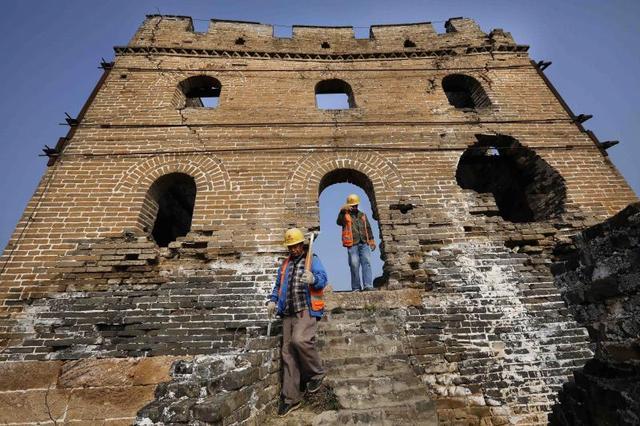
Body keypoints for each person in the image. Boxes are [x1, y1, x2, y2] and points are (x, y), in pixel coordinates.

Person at [267, 228, 328, 417]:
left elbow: (323, 279)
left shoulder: (312, 259)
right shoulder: (285, 264)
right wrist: (272, 300)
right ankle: (291, 398)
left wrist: (313, 279)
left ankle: (316, 373)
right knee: (288, 354)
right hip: (288, 311)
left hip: (305, 309)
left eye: (295, 246)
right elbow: (278, 285)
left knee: (300, 340)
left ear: (302, 244)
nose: (293, 249)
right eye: (290, 246)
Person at [336, 194, 377, 291]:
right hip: (352, 243)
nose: (354, 207)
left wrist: (371, 240)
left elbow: (368, 228)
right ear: (349, 205)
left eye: (356, 205)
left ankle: (368, 285)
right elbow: (338, 222)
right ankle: (356, 287)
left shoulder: (362, 215)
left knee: (366, 262)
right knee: (354, 264)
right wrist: (342, 210)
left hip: (364, 242)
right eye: (352, 205)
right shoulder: (344, 215)